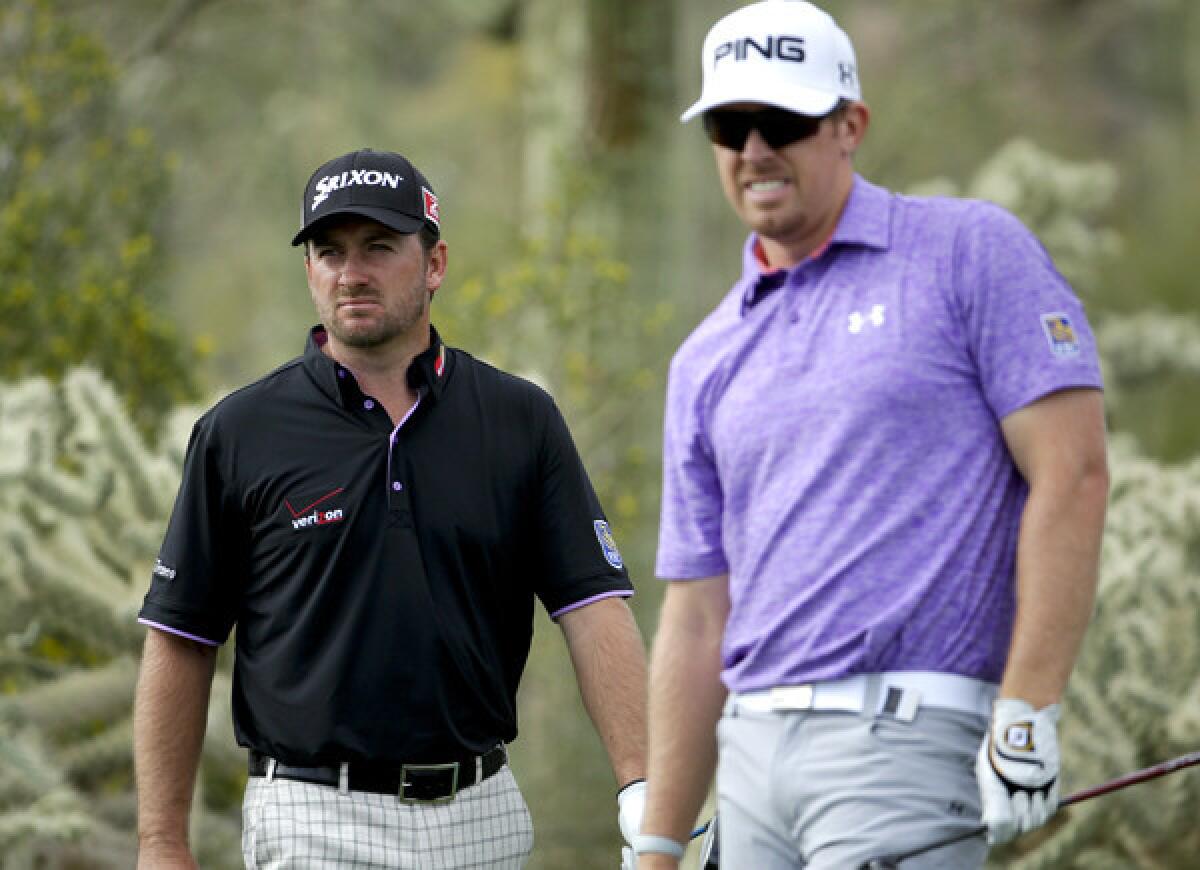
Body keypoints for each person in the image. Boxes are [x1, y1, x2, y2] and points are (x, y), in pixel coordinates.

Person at [635, 2, 1109, 868]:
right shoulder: (705, 354)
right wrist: (660, 842)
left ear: (849, 124)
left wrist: (1029, 711)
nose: (753, 149)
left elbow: (1073, 471)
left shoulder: (967, 252)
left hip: (904, 739)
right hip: (748, 766)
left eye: (782, 119)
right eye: (729, 124)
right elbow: (698, 616)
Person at [132, 148, 649, 869]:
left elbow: (593, 608)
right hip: (314, 816)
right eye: (329, 251)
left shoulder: (518, 420)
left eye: (379, 247)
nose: (353, 272)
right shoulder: (240, 432)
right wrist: (161, 843)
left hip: (483, 809)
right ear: (308, 269)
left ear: (434, 263)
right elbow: (181, 637)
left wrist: (645, 791)